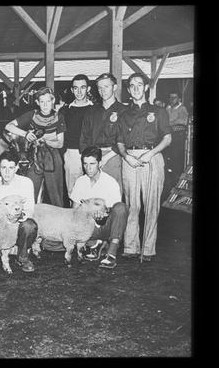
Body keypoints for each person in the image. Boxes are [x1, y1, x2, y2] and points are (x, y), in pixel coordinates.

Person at [117, 72, 172, 262]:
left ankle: (148, 249)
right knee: (132, 205)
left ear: (146, 87)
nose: (136, 88)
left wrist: (151, 153)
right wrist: (126, 156)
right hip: (130, 159)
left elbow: (167, 138)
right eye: (132, 85)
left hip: (152, 157)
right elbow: (120, 142)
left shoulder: (158, 111)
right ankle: (131, 246)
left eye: (139, 85)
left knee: (151, 204)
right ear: (129, 90)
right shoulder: (124, 114)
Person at [5, 86, 65, 207]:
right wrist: (25, 134)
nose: (45, 105)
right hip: (34, 156)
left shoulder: (59, 117)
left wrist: (44, 140)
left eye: (48, 101)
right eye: (42, 102)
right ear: (37, 102)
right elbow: (8, 126)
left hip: (52, 156)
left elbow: (60, 143)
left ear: (53, 101)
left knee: (56, 195)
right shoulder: (32, 115)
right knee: (29, 192)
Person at [70, 147, 128, 269]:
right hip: (88, 227)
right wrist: (89, 216)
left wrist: (102, 216)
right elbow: (74, 211)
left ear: (100, 163)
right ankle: (93, 244)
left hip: (105, 226)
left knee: (121, 207)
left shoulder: (110, 182)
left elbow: (115, 212)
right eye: (85, 164)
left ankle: (111, 253)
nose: (88, 168)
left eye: (92, 164)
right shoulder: (80, 181)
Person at [79, 73, 125, 194]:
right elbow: (84, 137)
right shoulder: (91, 111)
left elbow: (125, 138)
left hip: (114, 156)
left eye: (106, 86)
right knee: (93, 195)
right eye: (100, 88)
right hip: (94, 156)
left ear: (114, 87)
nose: (102, 90)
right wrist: (89, 159)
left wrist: (108, 156)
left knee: (114, 195)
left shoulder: (124, 110)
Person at [60, 74, 95, 200]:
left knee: (92, 191)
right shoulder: (65, 111)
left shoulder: (95, 109)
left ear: (88, 89)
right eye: (76, 88)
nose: (79, 91)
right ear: (72, 90)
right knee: (73, 193)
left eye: (83, 87)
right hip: (72, 154)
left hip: (91, 154)